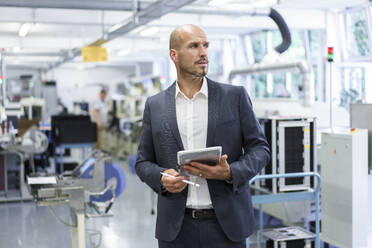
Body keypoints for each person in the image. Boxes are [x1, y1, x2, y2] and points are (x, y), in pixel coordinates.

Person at [135, 24, 270, 248]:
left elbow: (261, 150)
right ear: (174, 55)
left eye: (205, 45)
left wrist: (230, 172)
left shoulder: (234, 97)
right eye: (194, 46)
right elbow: (142, 162)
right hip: (176, 229)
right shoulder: (155, 105)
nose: (203, 52)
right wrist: (161, 178)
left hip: (227, 226)